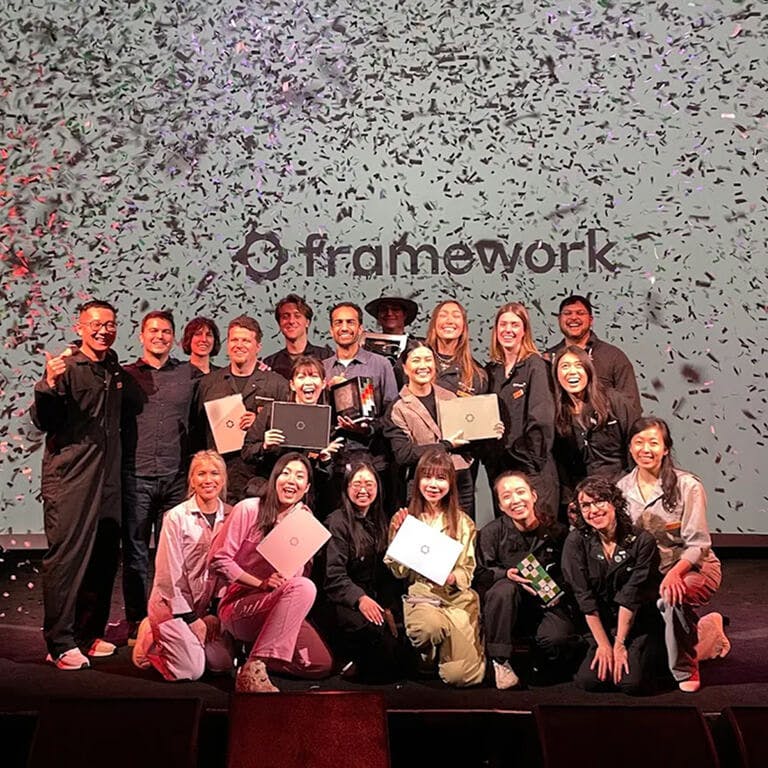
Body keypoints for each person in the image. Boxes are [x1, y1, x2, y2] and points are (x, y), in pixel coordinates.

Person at [31, 299, 123, 669]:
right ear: (79, 327)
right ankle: (59, 642)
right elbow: (45, 420)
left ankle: (87, 634)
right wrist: (49, 384)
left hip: (107, 480)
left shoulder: (112, 368)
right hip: (70, 479)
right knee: (67, 559)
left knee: (102, 557)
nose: (103, 330)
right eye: (96, 324)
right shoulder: (66, 367)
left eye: (110, 324)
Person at [617, 417, 729, 693]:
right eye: (639, 442)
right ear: (630, 448)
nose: (646, 449)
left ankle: (686, 669)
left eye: (654, 443)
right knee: (655, 648)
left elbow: (698, 543)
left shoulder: (687, 485)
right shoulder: (621, 489)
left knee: (672, 598)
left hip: (693, 568)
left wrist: (676, 573)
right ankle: (710, 631)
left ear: (666, 448)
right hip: (648, 575)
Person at [208, 453, 333, 692]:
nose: (291, 480)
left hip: (279, 607)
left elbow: (295, 579)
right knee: (305, 587)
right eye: (285, 473)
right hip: (240, 606)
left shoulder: (305, 523)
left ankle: (252, 650)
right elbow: (218, 559)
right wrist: (260, 583)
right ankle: (255, 666)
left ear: (306, 487)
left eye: (299, 476)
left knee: (318, 664)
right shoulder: (249, 510)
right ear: (274, 478)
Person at [121, 310, 199, 643]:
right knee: (136, 554)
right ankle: (138, 621)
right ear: (141, 336)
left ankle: (172, 619)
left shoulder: (188, 374)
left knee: (173, 558)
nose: (160, 336)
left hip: (175, 478)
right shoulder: (124, 375)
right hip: (135, 476)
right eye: (153, 331)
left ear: (173, 336)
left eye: (166, 332)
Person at [386, 449, 485, 687]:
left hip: (456, 598)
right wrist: (398, 536)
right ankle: (427, 654)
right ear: (417, 480)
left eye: (441, 478)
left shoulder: (463, 521)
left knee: (463, 678)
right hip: (423, 594)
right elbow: (398, 572)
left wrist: (453, 577)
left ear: (450, 482)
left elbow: (468, 569)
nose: (433, 484)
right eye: (427, 477)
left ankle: (466, 645)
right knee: (429, 629)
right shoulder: (406, 518)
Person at [131, 451, 234, 680]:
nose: (208, 480)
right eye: (201, 474)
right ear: (192, 480)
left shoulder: (231, 515)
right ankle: (150, 637)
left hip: (204, 608)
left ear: (224, 479)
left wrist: (213, 613)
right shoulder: (176, 517)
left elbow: (226, 570)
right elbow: (168, 576)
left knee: (221, 664)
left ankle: (183, 642)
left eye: (214, 473)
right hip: (172, 607)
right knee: (190, 671)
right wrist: (190, 619)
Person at [475, 472, 579, 689]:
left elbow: (569, 573)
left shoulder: (556, 531)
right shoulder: (491, 533)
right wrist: (506, 574)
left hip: (546, 604)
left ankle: (541, 664)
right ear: (501, 506)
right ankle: (500, 661)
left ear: (533, 495)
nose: (515, 500)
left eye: (520, 492)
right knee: (503, 589)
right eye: (507, 496)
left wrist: (557, 592)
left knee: (557, 639)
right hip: (507, 607)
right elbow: (481, 573)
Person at [561, 477, 663, 695]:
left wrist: (619, 644)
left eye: (600, 501)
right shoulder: (576, 541)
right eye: (586, 505)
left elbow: (632, 595)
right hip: (599, 623)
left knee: (631, 684)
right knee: (590, 682)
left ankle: (707, 632)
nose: (594, 510)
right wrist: (604, 645)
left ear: (614, 503)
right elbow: (584, 598)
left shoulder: (642, 540)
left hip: (635, 621)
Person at [322, 460, 405, 682]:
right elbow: (334, 576)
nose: (363, 490)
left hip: (375, 597)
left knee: (401, 642)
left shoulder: (380, 520)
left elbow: (386, 573)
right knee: (375, 638)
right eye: (357, 484)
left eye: (369, 484)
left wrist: (387, 606)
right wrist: (360, 599)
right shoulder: (337, 522)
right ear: (347, 488)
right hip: (343, 599)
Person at [197, 315, 290, 504]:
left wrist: (260, 423)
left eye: (246, 340)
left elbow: (287, 437)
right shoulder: (209, 384)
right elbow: (197, 432)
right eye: (234, 340)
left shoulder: (277, 384)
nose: (239, 345)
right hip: (219, 480)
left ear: (258, 347)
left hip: (261, 480)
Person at [485, 302, 559, 521]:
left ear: (524, 330)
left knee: (537, 535)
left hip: (531, 469)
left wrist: (528, 460)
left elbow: (542, 419)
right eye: (503, 324)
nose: (508, 330)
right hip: (500, 470)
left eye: (515, 325)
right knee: (509, 536)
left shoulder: (535, 365)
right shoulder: (492, 371)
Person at [384, 342, 476, 517]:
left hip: (459, 478)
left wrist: (489, 430)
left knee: (462, 535)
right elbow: (404, 455)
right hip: (423, 484)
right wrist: (446, 445)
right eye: (416, 360)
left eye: (428, 360)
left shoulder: (450, 396)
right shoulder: (398, 407)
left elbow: (467, 436)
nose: (423, 366)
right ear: (404, 367)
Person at [552, 344, 640, 520]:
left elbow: (634, 443)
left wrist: (630, 490)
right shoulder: (556, 413)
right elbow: (561, 465)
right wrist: (573, 499)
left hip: (623, 492)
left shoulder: (615, 402)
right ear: (556, 375)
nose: (572, 372)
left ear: (589, 371)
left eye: (578, 365)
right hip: (585, 501)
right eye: (565, 366)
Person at [323, 302, 399, 505]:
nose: (344, 327)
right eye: (338, 322)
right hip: (334, 464)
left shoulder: (380, 364)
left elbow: (392, 414)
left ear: (360, 328)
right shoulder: (323, 369)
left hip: (373, 460)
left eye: (350, 322)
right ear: (331, 330)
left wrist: (366, 429)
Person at [241, 356, 343, 503]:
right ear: (292, 385)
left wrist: (324, 460)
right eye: (301, 377)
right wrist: (264, 445)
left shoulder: (328, 422)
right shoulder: (272, 412)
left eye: (314, 376)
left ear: (323, 383)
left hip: (305, 498)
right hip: (269, 494)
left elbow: (329, 478)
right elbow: (246, 452)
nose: (308, 382)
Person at [546, 295, 641, 414]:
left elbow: (631, 405)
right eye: (567, 313)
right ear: (559, 319)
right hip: (560, 430)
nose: (573, 317)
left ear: (591, 320)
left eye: (580, 313)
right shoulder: (548, 358)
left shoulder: (613, 356)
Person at [263, 294, 333, 380]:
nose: (291, 321)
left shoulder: (326, 357)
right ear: (279, 324)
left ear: (307, 322)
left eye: (297, 316)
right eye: (285, 317)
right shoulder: (270, 364)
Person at [425, 300, 487, 396]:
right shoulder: (414, 360)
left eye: (456, 316)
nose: (449, 321)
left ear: (463, 326)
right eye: (443, 315)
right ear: (434, 323)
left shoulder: (477, 374)